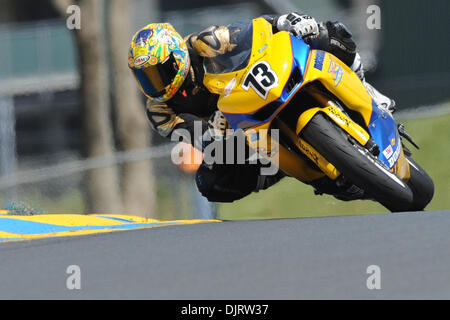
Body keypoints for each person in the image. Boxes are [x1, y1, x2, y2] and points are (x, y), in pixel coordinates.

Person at [128, 12, 396, 203]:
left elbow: (254, 31)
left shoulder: (205, 42)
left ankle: (365, 86)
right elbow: (196, 139)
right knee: (209, 182)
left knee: (327, 32)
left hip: (256, 85)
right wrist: (213, 133)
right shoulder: (159, 111)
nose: (155, 83)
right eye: (145, 77)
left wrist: (284, 22)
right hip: (241, 133)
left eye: (159, 71)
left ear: (177, 56)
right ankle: (283, 168)